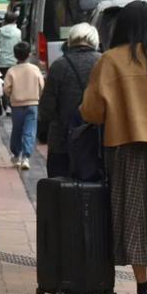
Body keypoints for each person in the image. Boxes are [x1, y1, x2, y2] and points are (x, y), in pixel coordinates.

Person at [80, 1, 147, 294]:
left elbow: (92, 110)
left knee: (132, 213)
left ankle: (142, 288)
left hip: (124, 146)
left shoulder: (110, 61)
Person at [37, 23, 101, 178]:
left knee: (61, 191)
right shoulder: (103, 63)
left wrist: (43, 132)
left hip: (62, 140)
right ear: (95, 40)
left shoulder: (60, 65)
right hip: (97, 141)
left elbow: (47, 108)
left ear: (71, 40)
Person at [3, 41, 43, 169]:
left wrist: (11, 96)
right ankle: (26, 157)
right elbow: (42, 86)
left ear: (15, 55)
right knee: (30, 131)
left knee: (17, 129)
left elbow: (6, 89)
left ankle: (16, 154)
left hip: (16, 105)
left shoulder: (12, 70)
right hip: (32, 104)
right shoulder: (35, 69)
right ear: (29, 54)